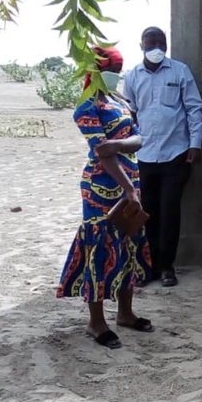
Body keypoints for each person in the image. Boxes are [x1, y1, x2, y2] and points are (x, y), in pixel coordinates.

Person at [57, 46, 154, 350]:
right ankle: (96, 321)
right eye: (112, 69)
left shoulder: (118, 100)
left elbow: (139, 138)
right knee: (100, 249)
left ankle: (125, 313)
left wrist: (118, 144)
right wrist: (128, 187)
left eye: (118, 69)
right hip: (101, 187)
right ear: (97, 71)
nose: (116, 75)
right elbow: (101, 154)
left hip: (130, 184)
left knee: (128, 243)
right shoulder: (87, 106)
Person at [123, 26, 202, 287]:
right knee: (147, 211)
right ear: (141, 46)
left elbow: (193, 108)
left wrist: (196, 144)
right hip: (144, 154)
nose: (156, 47)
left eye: (161, 42)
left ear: (166, 45)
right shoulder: (133, 76)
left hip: (176, 152)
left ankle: (167, 266)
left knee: (170, 209)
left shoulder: (180, 71)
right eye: (151, 42)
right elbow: (130, 113)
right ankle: (148, 267)